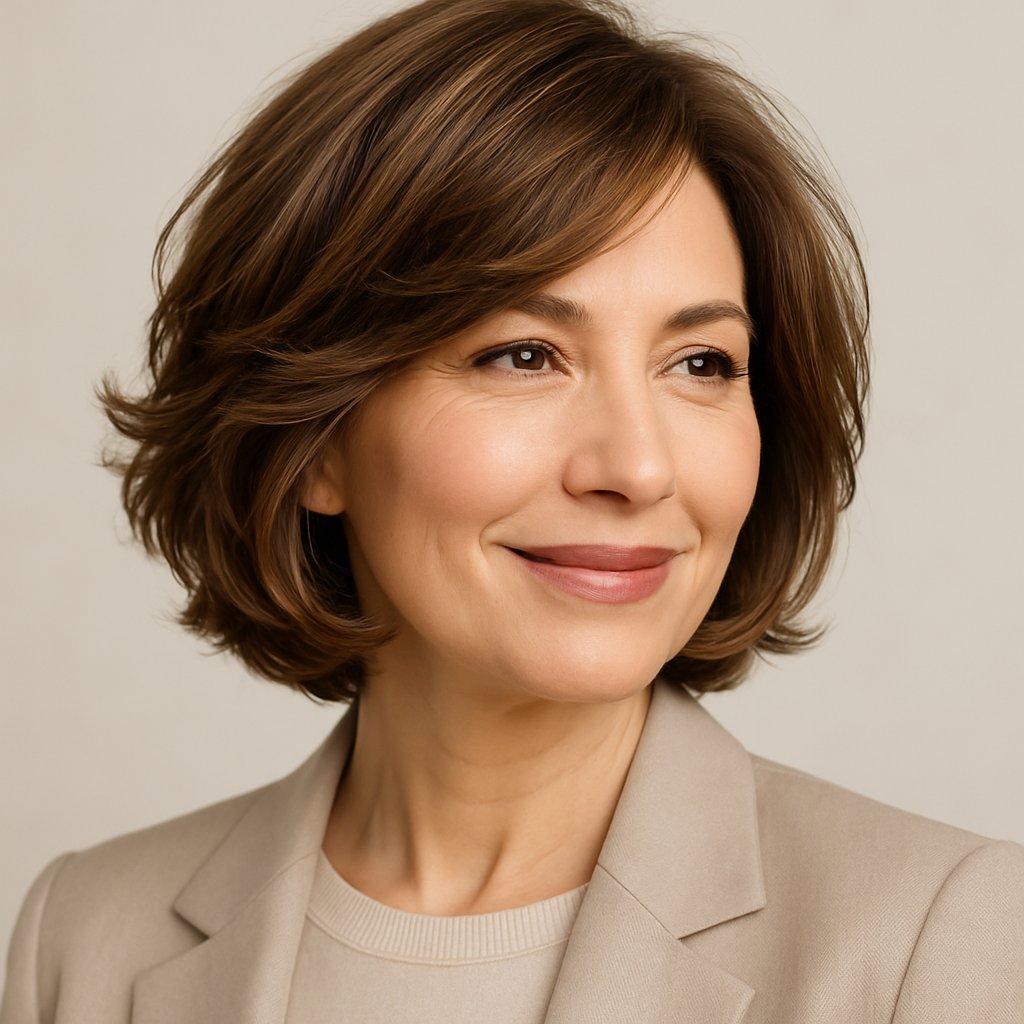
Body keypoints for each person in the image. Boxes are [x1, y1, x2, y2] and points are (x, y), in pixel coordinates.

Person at [2, 0, 1022, 1020]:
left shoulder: (937, 941)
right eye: (525, 355)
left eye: (702, 363)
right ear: (312, 435)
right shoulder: (83, 940)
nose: (637, 467)